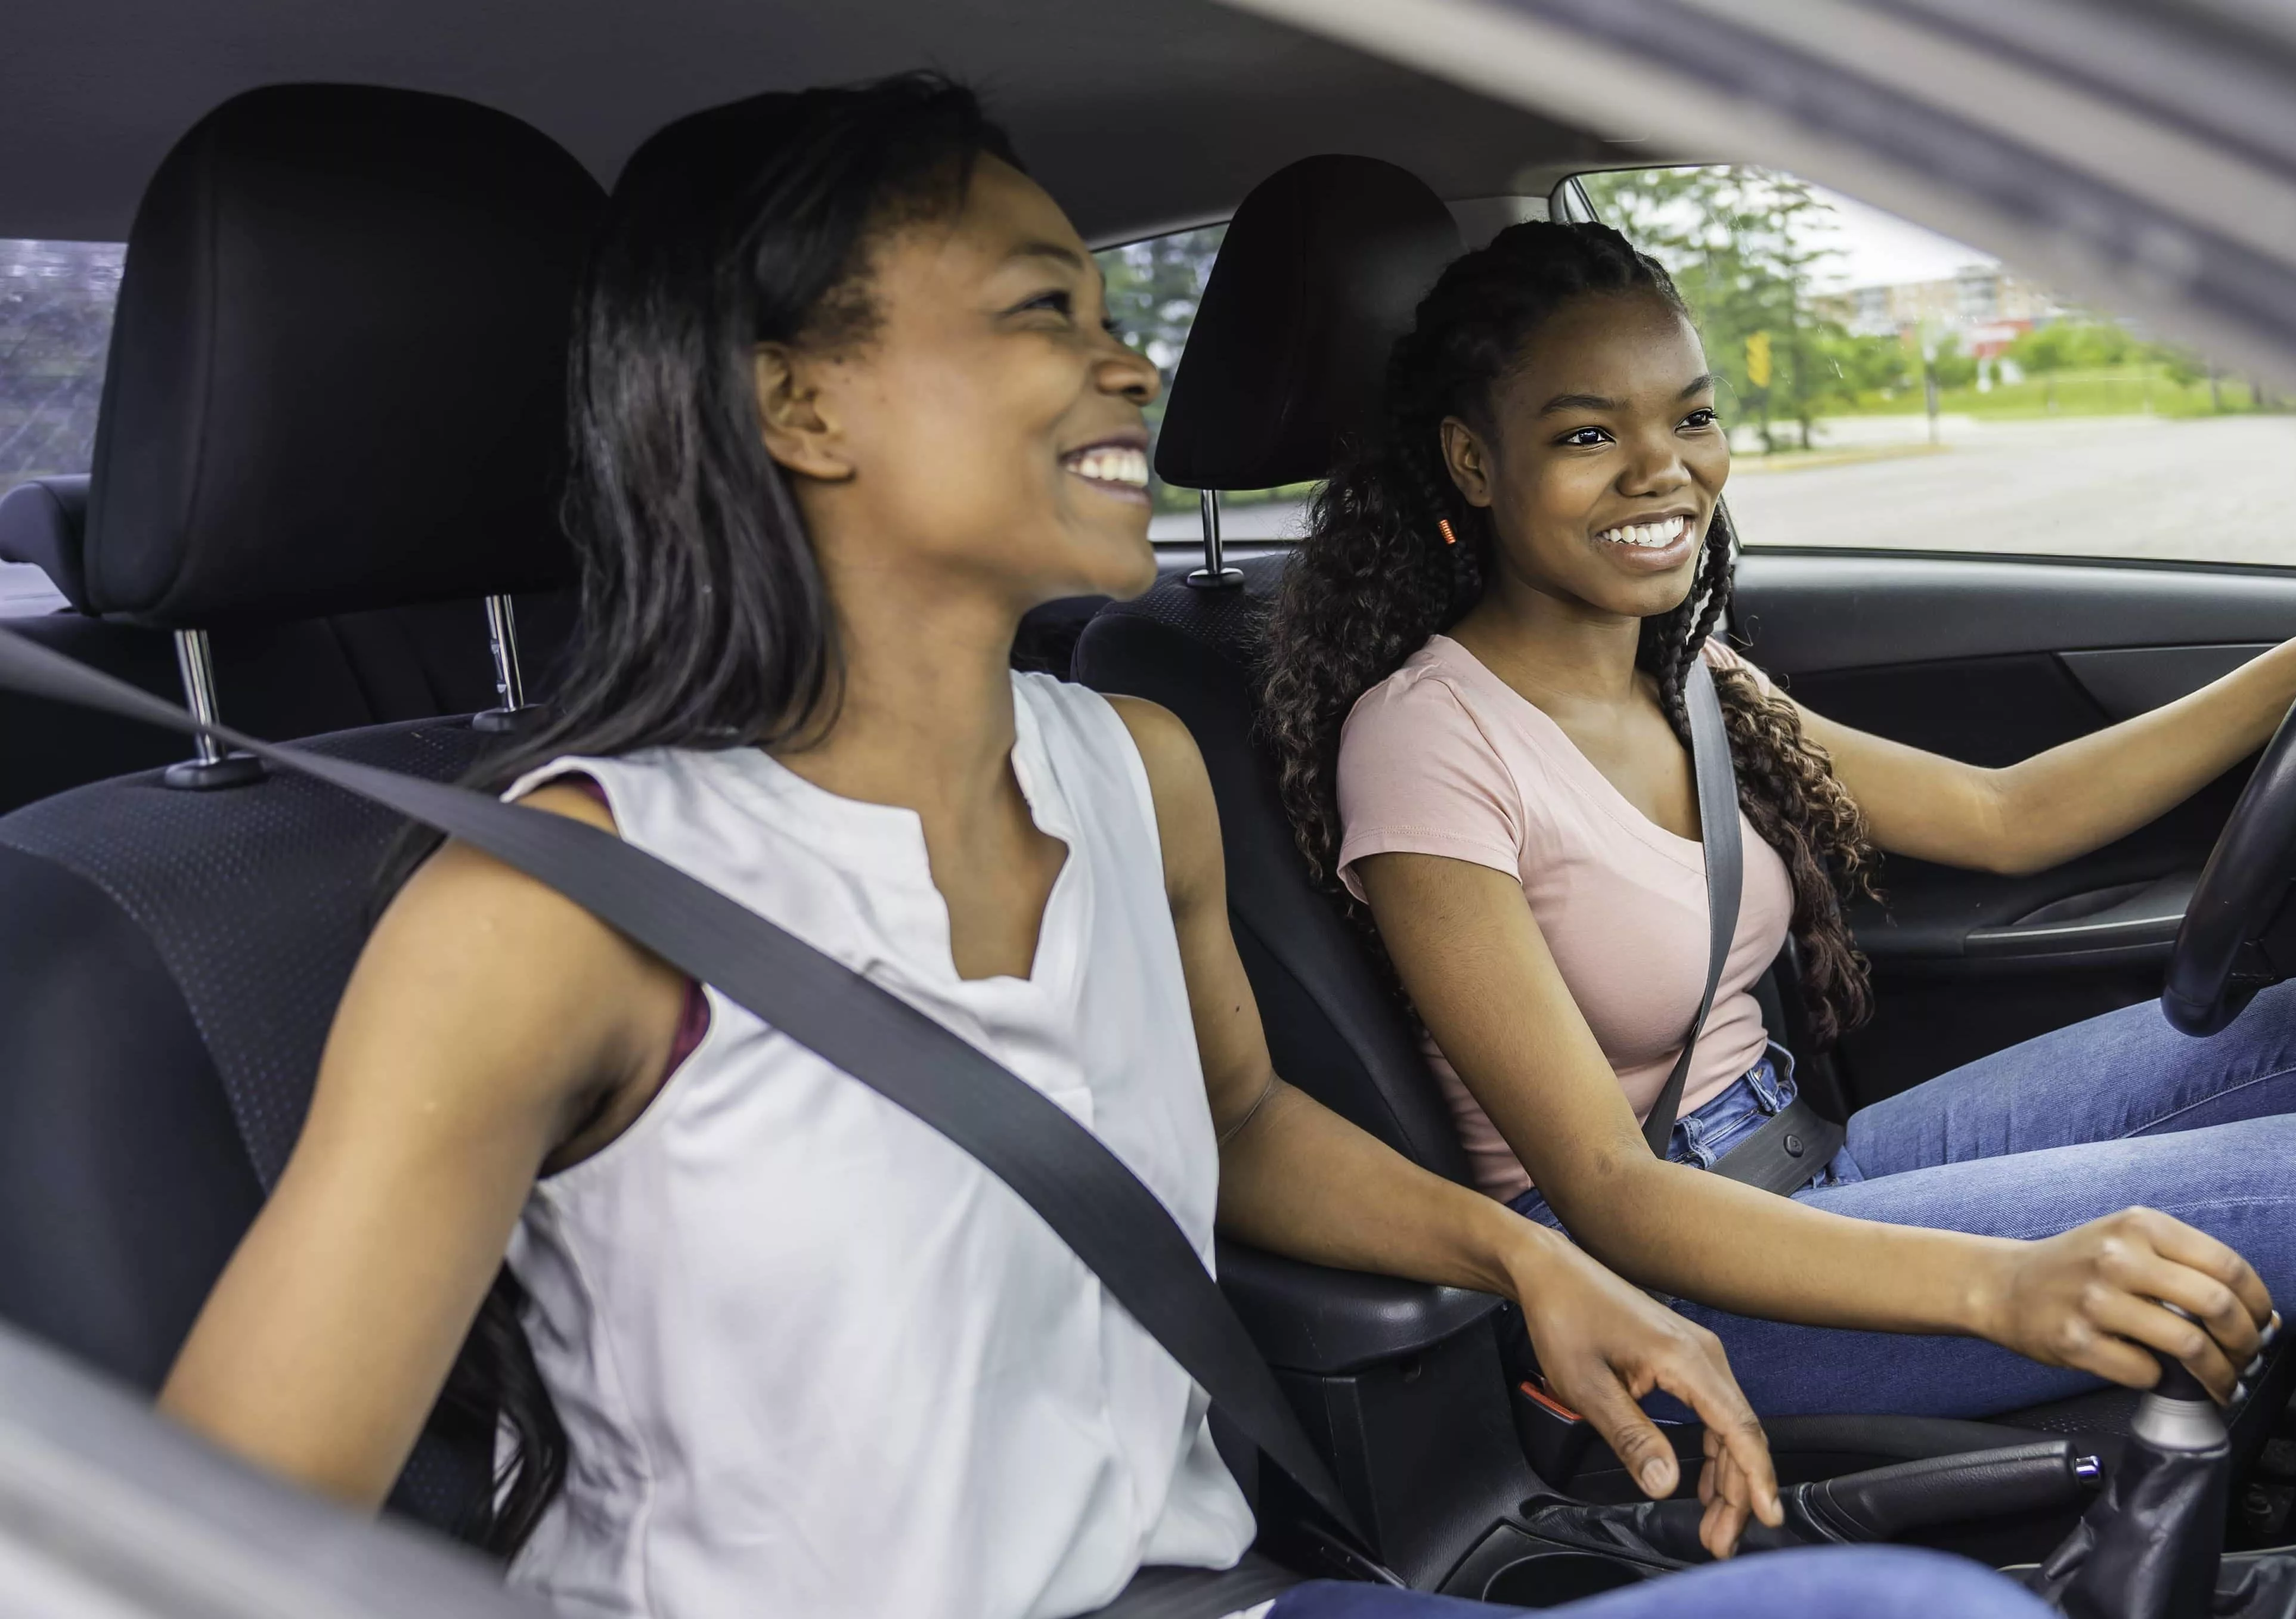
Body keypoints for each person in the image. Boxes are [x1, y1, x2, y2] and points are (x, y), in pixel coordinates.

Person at [151, 79, 2057, 1619]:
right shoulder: (551, 910)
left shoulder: (1132, 765)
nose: (1131, 363)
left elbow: (1230, 1126)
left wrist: (1531, 1259)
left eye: (1105, 304)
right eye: (1037, 310)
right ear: (796, 403)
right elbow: (206, 1558)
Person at [1263, 222, 2296, 1444]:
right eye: (1588, 433)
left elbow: (2005, 814)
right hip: (1658, 1289)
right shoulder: (1425, 739)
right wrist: (2004, 1284)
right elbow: (1612, 1191)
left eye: (1691, 416)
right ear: (1474, 465)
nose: (1664, 468)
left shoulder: (1687, 667)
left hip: (1805, 1160)